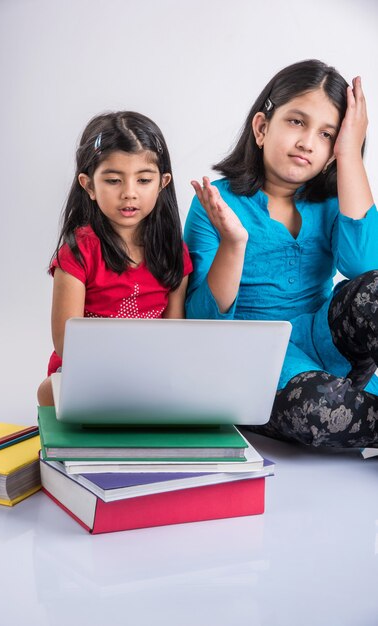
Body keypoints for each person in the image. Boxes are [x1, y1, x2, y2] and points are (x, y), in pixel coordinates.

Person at [184, 59, 378, 448]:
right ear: (261, 128)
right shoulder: (216, 203)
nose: (308, 141)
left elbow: (365, 270)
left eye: (327, 134)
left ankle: (351, 401)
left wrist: (351, 156)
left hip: (323, 341)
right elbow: (202, 322)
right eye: (296, 122)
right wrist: (233, 244)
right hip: (257, 362)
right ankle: (349, 409)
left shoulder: (329, 201)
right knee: (319, 408)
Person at [38, 111, 192, 406]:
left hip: (149, 370)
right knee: (49, 390)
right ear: (89, 185)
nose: (129, 193)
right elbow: (66, 344)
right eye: (113, 180)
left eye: (144, 180)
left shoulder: (173, 250)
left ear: (162, 182)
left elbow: (175, 335)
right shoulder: (78, 252)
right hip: (89, 370)